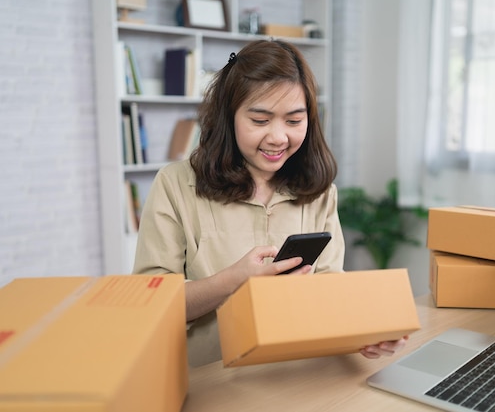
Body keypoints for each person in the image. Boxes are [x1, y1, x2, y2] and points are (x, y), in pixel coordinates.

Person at [133, 39, 407, 367]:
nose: (278, 137)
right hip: (211, 380)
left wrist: (361, 333)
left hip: (297, 375)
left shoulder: (320, 192)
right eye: (260, 120)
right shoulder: (175, 184)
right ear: (229, 117)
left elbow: (328, 290)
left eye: (293, 121)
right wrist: (235, 280)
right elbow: (152, 305)